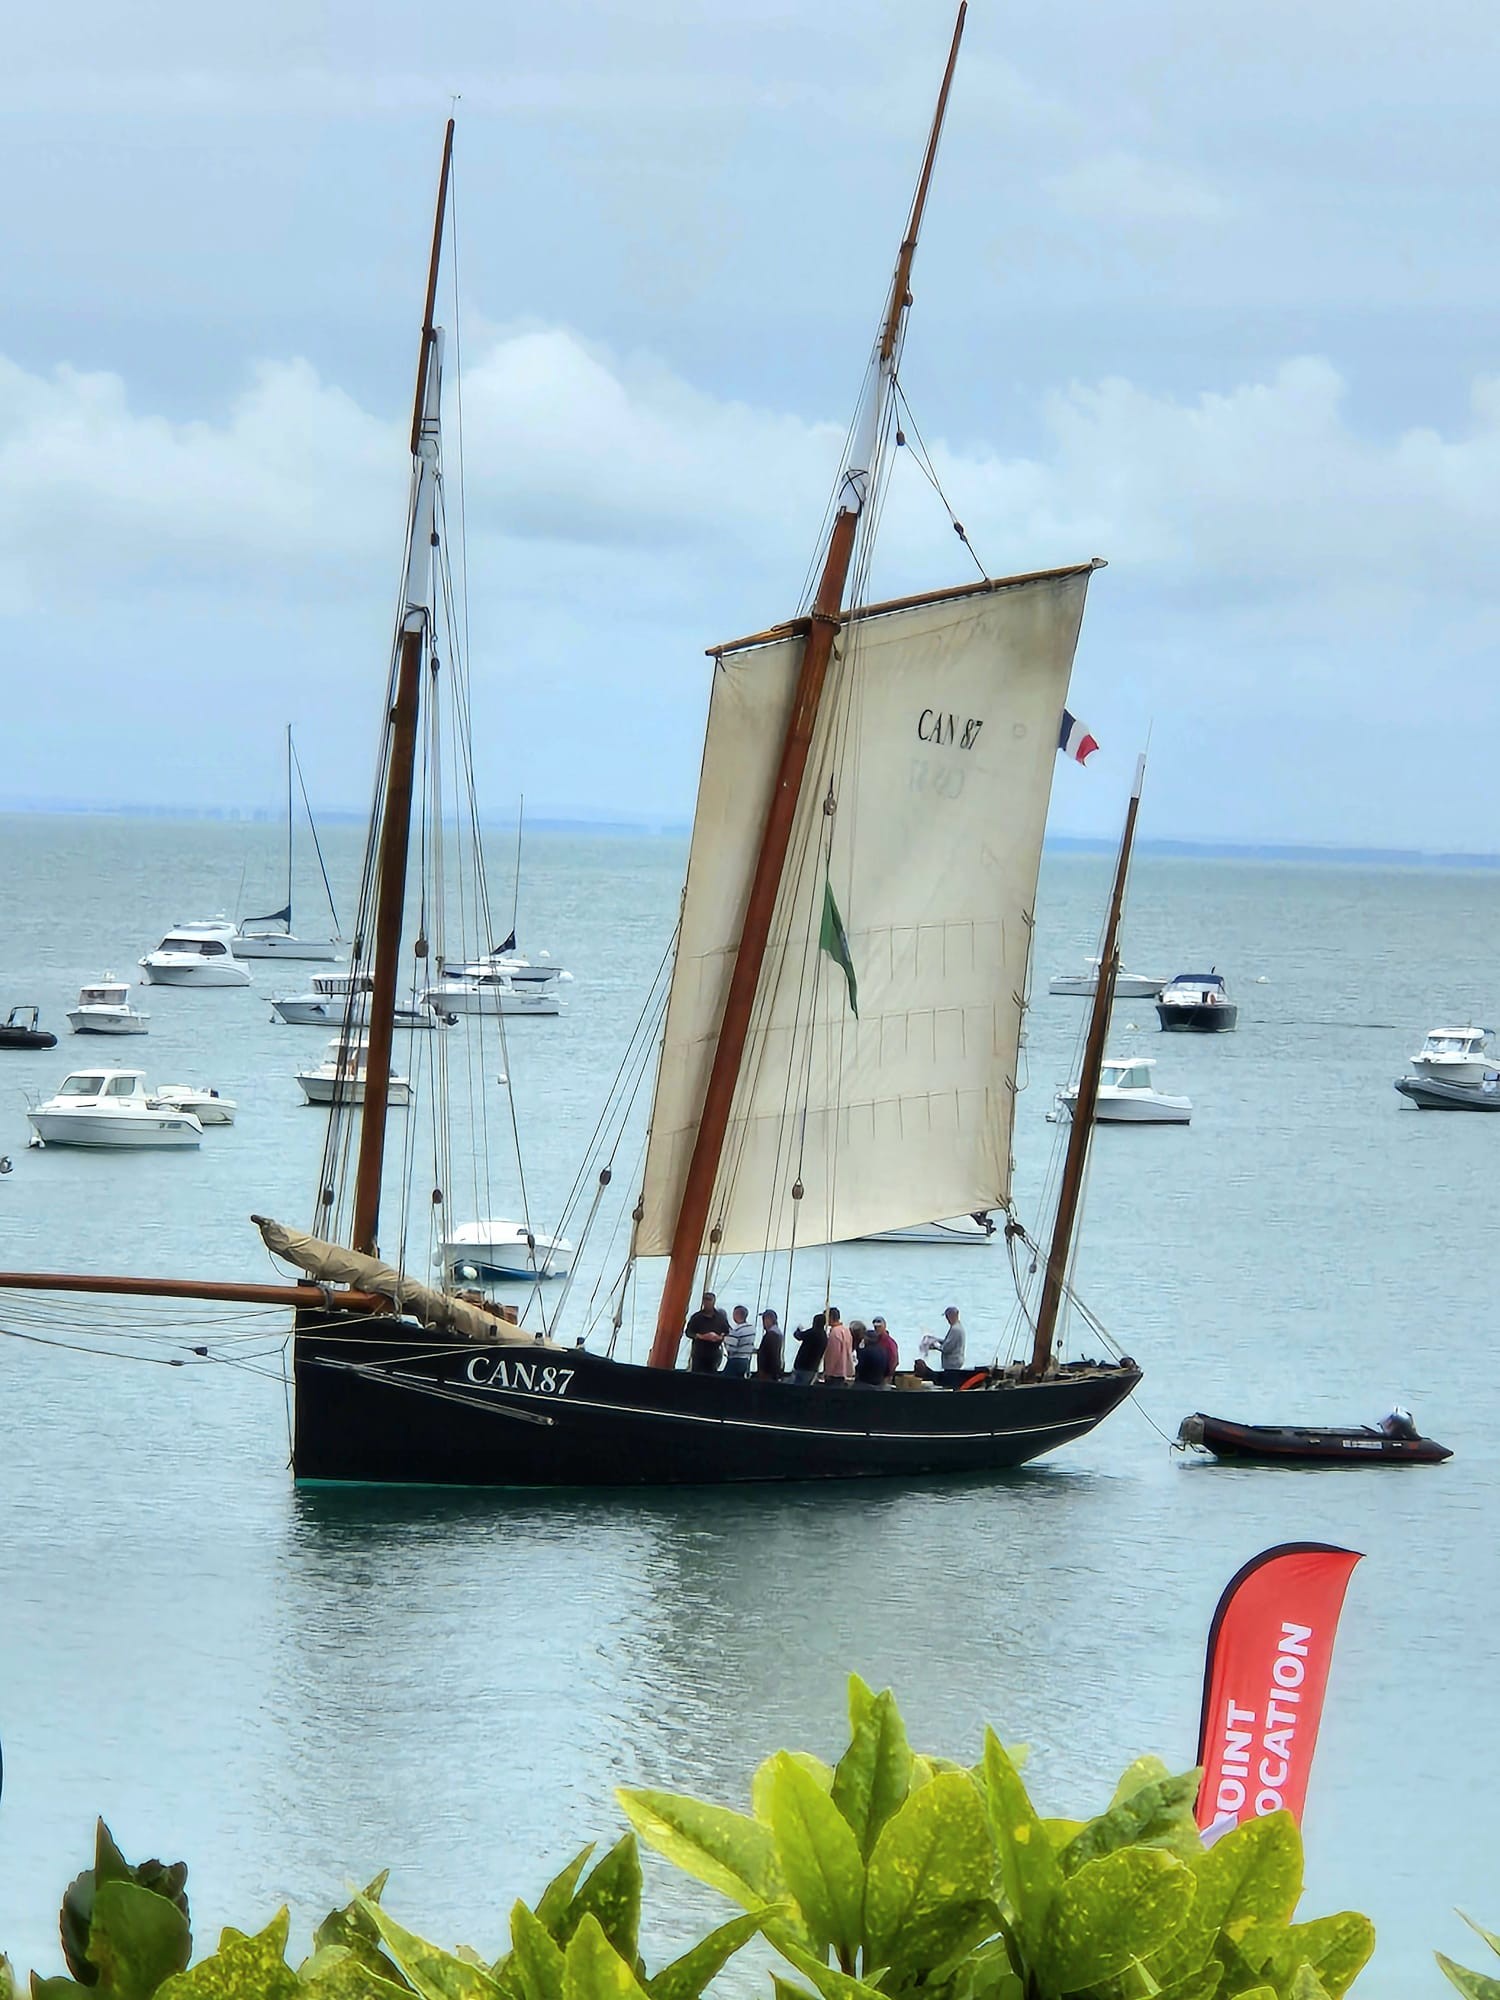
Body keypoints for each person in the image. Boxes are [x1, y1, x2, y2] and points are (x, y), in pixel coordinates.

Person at [684, 1290, 729, 1374]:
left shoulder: (720, 1318)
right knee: (697, 1373)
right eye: (705, 1299)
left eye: (709, 1299)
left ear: (714, 1301)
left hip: (714, 1352)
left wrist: (719, 1337)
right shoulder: (696, 1317)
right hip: (699, 1352)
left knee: (711, 1374)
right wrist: (700, 1336)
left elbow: (726, 1332)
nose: (707, 1302)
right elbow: (688, 1332)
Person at [855, 1315, 895, 1388]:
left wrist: (888, 1376)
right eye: (875, 1327)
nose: (877, 1329)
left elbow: (894, 1360)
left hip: (879, 1379)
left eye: (879, 1327)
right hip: (879, 1379)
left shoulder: (890, 1343)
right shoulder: (879, 1346)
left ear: (884, 1326)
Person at [792, 1311, 828, 1386]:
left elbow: (798, 1336)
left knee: (797, 1387)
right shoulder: (824, 1335)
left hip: (803, 1367)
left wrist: (797, 1330)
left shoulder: (812, 1332)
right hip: (813, 1367)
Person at [723, 1303, 756, 1378]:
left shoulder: (737, 1330)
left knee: (724, 1381)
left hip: (735, 1361)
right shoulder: (752, 1329)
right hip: (746, 1360)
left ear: (736, 1314)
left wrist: (725, 1339)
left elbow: (731, 1348)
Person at [823, 1306, 854, 1385]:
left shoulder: (834, 1333)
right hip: (845, 1369)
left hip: (835, 1372)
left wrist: (828, 1372)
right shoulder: (846, 1330)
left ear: (830, 1318)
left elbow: (833, 1354)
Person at [756, 1308, 786, 1380]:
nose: (763, 1323)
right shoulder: (778, 1333)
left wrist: (763, 1371)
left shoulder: (772, 1334)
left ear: (769, 1320)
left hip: (768, 1371)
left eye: (764, 1319)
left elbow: (771, 1354)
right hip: (774, 1369)